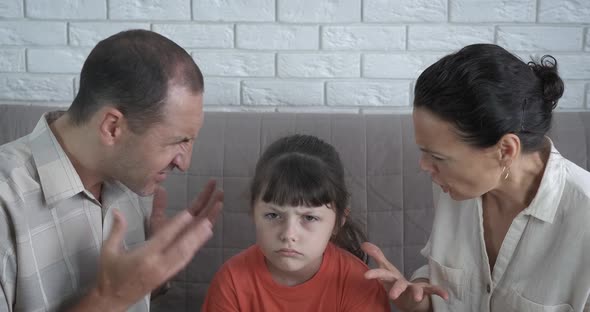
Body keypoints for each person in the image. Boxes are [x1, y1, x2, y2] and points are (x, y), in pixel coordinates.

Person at [0, 29, 223, 312]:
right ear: (112, 127)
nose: (184, 163)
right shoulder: (6, 201)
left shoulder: (134, 183)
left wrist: (155, 272)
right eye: (179, 141)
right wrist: (108, 299)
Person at [362, 43, 590, 311]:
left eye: (438, 157)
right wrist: (417, 299)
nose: (424, 166)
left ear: (506, 150)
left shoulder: (583, 217)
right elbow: (448, 282)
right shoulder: (454, 187)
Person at [202, 134, 390, 311]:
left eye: (309, 218)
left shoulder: (359, 283)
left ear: (338, 222)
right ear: (253, 212)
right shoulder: (232, 281)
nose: (288, 234)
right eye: (273, 215)